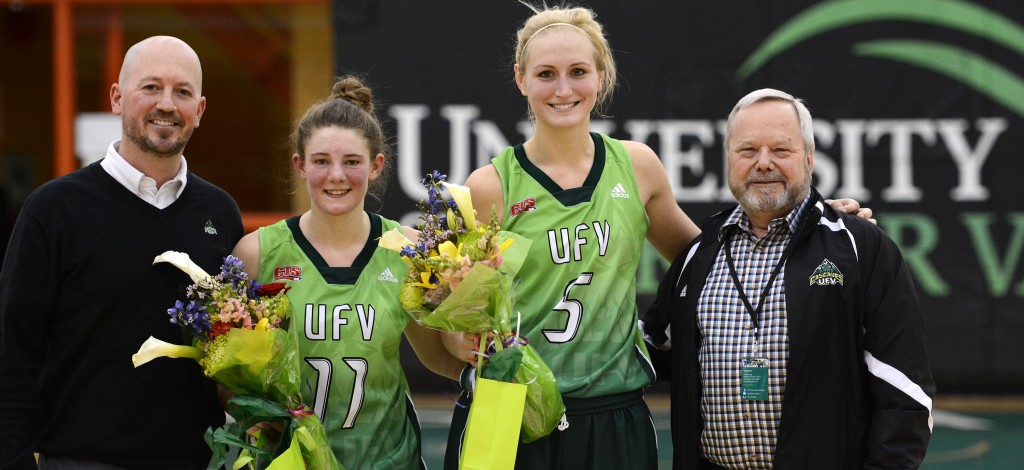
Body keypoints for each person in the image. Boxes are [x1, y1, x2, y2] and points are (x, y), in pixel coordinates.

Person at [440, 5, 873, 470]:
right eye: (546, 74)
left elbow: (709, 259)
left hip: (612, 412)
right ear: (521, 79)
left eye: (578, 72)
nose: (563, 89)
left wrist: (817, 223)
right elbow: (449, 320)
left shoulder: (637, 166)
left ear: (602, 78)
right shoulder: (487, 187)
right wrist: (460, 344)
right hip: (509, 410)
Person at [641, 88, 935, 469]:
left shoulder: (861, 247)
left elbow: (905, 391)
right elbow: (649, 350)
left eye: (781, 150)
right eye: (747, 151)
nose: (764, 163)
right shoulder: (701, 253)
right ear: (728, 161)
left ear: (809, 159)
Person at [0, 36, 244, 469]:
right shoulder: (53, 210)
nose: (166, 104)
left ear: (200, 110)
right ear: (117, 98)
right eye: (150, 87)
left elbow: (235, 352)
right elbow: (12, 351)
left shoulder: (219, 212)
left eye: (182, 92)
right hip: (80, 462)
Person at [230, 75, 465, 469]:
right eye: (321, 161)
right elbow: (230, 376)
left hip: (389, 461)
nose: (336, 175)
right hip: (291, 463)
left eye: (351, 162)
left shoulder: (406, 250)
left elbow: (436, 354)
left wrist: (493, 360)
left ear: (375, 166)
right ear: (299, 165)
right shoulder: (257, 253)